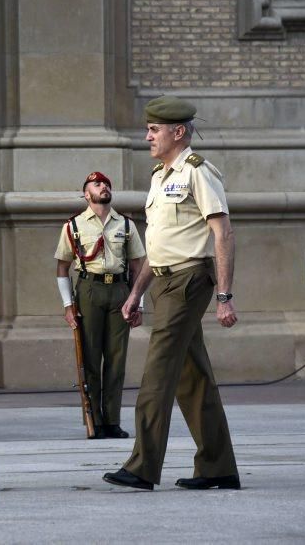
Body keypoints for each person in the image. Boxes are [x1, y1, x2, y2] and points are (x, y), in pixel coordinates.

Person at [103, 95, 240, 491]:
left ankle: (142, 467)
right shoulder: (159, 177)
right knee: (191, 375)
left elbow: (223, 233)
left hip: (188, 280)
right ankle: (218, 466)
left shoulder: (198, 172)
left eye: (154, 130)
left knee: (158, 372)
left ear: (178, 133)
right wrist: (136, 294)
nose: (147, 136)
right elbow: (158, 246)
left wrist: (225, 296)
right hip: (163, 281)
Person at [55, 172, 145, 439]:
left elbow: (139, 265)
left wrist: (137, 302)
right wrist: (68, 305)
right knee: (91, 358)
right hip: (89, 289)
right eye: (97, 184)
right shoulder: (73, 226)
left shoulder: (126, 225)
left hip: (119, 289)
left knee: (117, 360)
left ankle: (112, 420)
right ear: (87, 194)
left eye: (106, 184)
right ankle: (93, 419)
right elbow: (62, 267)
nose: (103, 187)